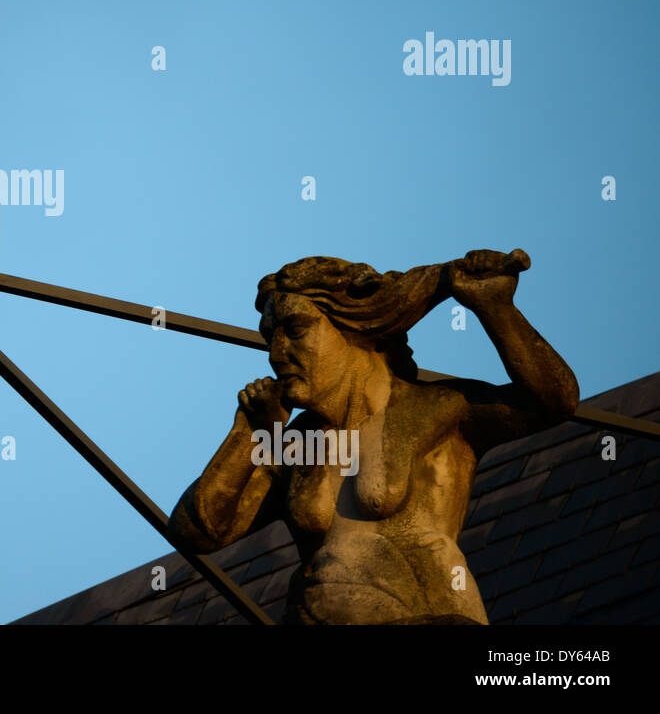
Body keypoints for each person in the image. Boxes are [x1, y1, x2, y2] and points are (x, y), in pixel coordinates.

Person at [169, 248, 578, 623]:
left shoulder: (435, 407)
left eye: (295, 329)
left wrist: (495, 308)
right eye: (269, 337)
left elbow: (552, 402)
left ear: (352, 324)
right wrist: (250, 432)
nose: (276, 353)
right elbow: (199, 531)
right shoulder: (293, 444)